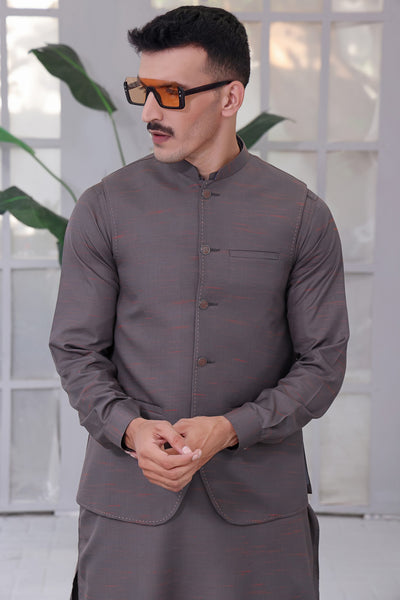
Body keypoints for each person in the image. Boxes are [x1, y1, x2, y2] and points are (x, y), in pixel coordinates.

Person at [50, 5, 349, 600]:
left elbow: (322, 363)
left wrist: (232, 428)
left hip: (262, 510)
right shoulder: (104, 208)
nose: (149, 112)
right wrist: (129, 429)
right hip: (128, 502)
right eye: (143, 90)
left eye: (171, 94)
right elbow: (76, 349)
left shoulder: (301, 214)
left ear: (230, 97)